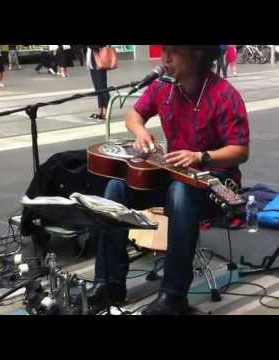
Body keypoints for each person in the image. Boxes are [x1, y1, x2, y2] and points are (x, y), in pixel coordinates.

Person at [81, 45, 250, 315]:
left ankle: (174, 296)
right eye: (164, 51)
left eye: (174, 52)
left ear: (198, 54)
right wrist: (140, 132)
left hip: (212, 183)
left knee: (180, 193)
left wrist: (200, 156)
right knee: (116, 188)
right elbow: (133, 115)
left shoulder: (224, 95)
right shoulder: (164, 87)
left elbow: (240, 151)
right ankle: (108, 284)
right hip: (173, 175)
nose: (165, 59)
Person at [86, 45, 111, 120]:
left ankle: (107, 111)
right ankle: (100, 111)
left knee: (102, 87)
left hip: (99, 61)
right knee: (98, 89)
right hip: (93, 62)